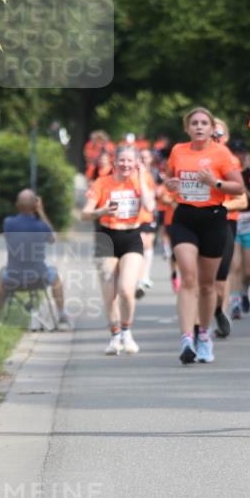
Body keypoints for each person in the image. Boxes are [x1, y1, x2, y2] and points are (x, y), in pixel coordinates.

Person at [164, 107, 244, 364]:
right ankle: (186, 338)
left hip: (213, 219)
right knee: (188, 277)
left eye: (204, 123)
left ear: (211, 129)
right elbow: (170, 180)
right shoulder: (178, 151)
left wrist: (215, 183)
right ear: (187, 128)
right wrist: (171, 185)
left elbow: (239, 187)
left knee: (208, 285)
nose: (199, 127)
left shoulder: (221, 153)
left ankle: (204, 335)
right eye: (194, 123)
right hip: (185, 217)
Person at [81, 145, 154, 355]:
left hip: (131, 237)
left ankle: (127, 332)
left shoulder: (142, 181)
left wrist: (140, 177)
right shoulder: (102, 183)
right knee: (110, 292)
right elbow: (85, 214)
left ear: (136, 163)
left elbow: (149, 207)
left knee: (126, 290)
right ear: (115, 162)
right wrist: (101, 211)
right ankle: (114, 336)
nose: (125, 164)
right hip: (107, 238)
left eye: (130, 161)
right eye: (122, 160)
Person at [0, 189, 70, 326]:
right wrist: (41, 211)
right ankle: (61, 313)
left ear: (17, 205)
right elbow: (53, 238)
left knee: (1, 272)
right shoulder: (41, 226)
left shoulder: (8, 223)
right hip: (39, 278)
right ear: (35, 206)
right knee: (55, 275)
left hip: (13, 278)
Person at [211, 119, 249, 338]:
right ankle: (199, 325)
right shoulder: (189, 157)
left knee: (221, 274)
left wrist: (218, 206)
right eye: (212, 133)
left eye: (220, 134)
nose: (216, 138)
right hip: (197, 222)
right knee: (200, 276)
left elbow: (241, 201)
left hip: (226, 222)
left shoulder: (231, 160)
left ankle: (220, 311)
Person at [228, 140, 250, 321]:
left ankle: (244, 291)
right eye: (235, 153)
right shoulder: (227, 173)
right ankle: (235, 302)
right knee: (235, 266)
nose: (238, 156)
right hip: (233, 221)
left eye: (241, 153)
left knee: (247, 271)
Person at [135, 148, 158, 298]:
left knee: (147, 245)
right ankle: (139, 277)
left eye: (146, 157)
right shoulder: (130, 174)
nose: (143, 160)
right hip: (133, 218)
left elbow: (150, 199)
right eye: (141, 157)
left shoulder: (149, 175)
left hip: (147, 215)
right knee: (141, 246)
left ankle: (144, 276)